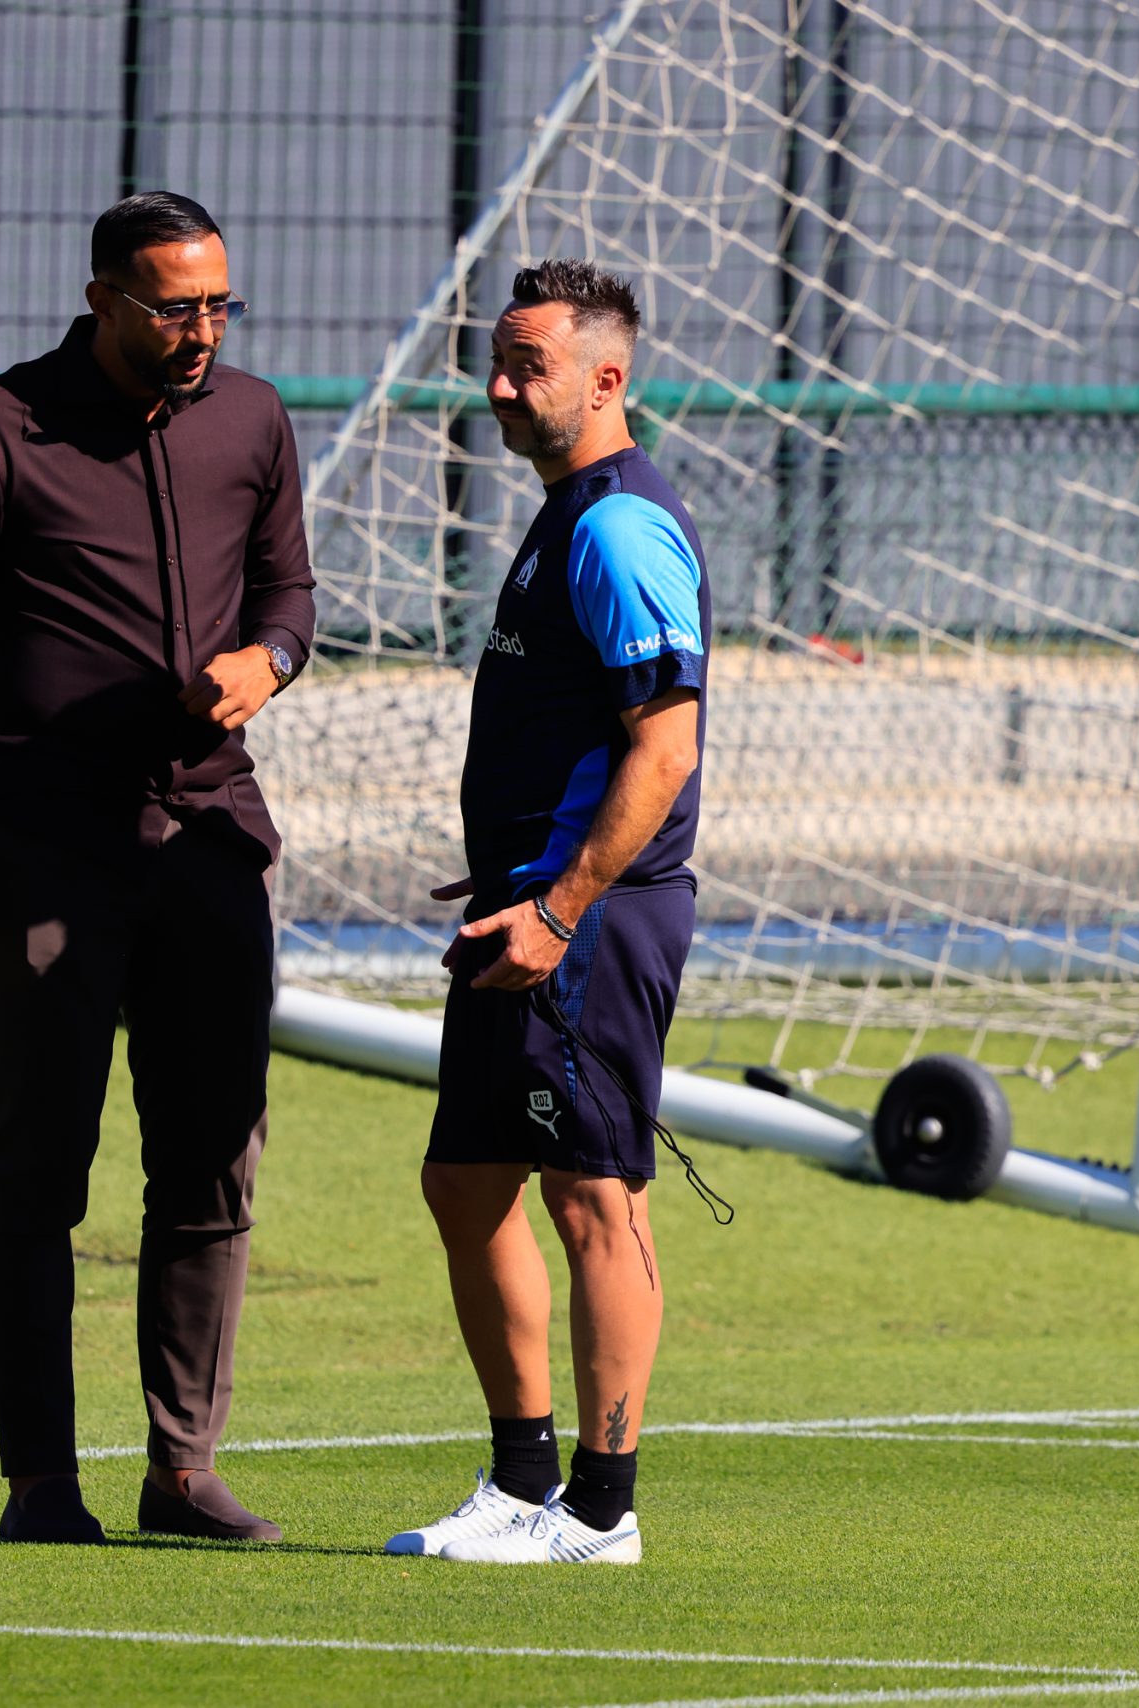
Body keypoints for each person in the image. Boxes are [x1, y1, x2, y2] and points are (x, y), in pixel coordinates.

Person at [0, 192, 314, 1545]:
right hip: (51, 849)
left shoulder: (253, 420)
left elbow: (291, 598)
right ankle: (39, 1484)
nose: (202, 333)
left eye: (218, 307)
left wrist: (266, 663)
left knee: (212, 1158)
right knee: (39, 1165)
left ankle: (182, 1471)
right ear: (102, 297)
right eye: (176, 307)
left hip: (211, 838)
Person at [384, 259, 708, 1566]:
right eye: (498, 365)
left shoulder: (619, 526)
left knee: (595, 1197)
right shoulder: (564, 509)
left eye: (529, 368)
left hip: (590, 921)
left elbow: (664, 747)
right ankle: (521, 1486)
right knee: (466, 1184)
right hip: (525, 907)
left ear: (608, 377)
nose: (501, 390)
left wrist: (565, 907)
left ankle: (600, 1509)